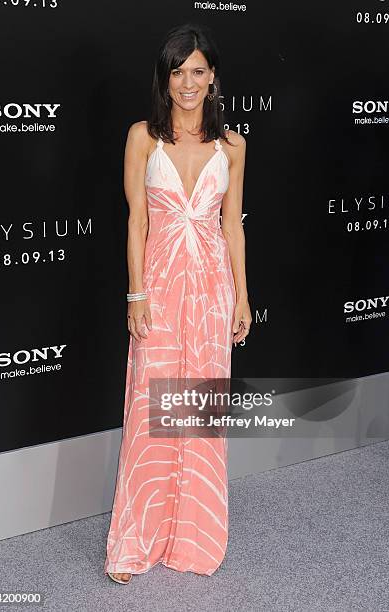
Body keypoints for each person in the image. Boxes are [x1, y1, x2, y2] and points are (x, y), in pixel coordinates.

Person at [104, 22, 251, 584]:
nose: (187, 82)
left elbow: (232, 226)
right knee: (151, 408)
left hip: (212, 288)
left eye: (198, 71)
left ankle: (191, 540)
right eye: (177, 71)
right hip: (161, 287)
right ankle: (135, 543)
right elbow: (136, 221)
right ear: (164, 79)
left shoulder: (232, 146)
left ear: (213, 78)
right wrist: (135, 293)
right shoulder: (143, 136)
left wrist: (243, 295)